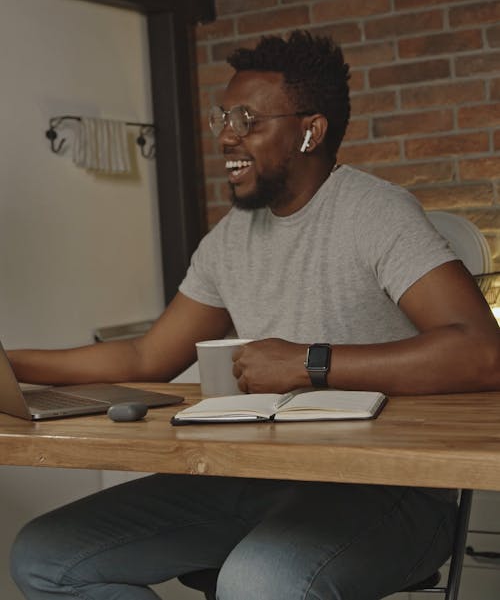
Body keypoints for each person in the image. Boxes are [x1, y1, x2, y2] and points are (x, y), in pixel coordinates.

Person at [8, 30, 500, 600]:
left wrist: (309, 363)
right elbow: (147, 356)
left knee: (257, 583)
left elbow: (482, 352)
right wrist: (12, 364)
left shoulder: (376, 213)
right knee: (44, 557)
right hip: (249, 477)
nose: (225, 135)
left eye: (247, 119)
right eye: (223, 117)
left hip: (386, 489)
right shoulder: (229, 239)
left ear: (309, 131)